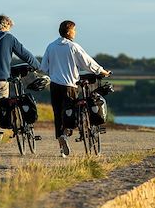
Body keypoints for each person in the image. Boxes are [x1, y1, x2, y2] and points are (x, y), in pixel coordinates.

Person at [40, 20, 111, 157]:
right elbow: (88, 63)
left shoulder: (51, 46)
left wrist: (54, 72)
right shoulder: (73, 47)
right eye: (74, 30)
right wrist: (102, 71)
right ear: (68, 32)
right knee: (71, 113)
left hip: (54, 86)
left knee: (58, 113)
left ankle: (61, 139)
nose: (75, 32)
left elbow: (43, 67)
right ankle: (72, 133)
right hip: (70, 86)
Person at [0, 14, 40, 156]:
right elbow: (24, 54)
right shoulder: (9, 38)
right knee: (1, 110)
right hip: (1, 80)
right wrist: (37, 66)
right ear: (6, 26)